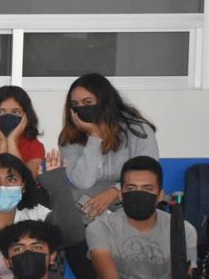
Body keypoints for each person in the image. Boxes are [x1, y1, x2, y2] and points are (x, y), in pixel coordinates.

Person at [86, 156, 197, 279]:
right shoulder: (99, 228)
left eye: (147, 189)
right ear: (121, 194)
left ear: (160, 195)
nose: (139, 194)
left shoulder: (185, 231)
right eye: (131, 188)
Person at [56, 73, 161, 223]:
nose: (81, 108)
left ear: (104, 102)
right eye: (75, 104)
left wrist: (113, 192)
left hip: (131, 200)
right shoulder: (69, 137)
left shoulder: (138, 130)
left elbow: (147, 174)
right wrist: (95, 137)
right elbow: (83, 182)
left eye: (87, 102)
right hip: (88, 208)